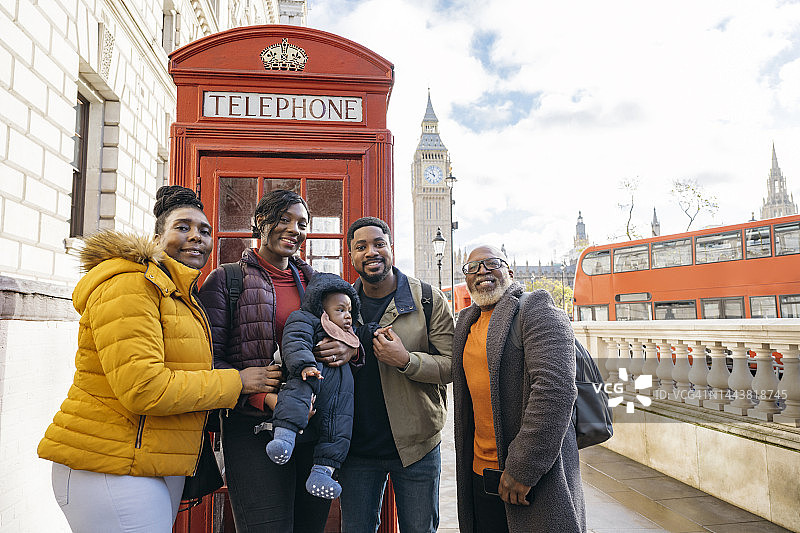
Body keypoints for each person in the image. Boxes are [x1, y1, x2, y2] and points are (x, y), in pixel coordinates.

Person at [37, 185, 275, 532]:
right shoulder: (130, 286)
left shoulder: (178, 294)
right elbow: (144, 388)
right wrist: (238, 381)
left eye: (204, 230)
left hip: (154, 460)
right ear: (156, 238)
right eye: (182, 227)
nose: (196, 236)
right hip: (108, 464)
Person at [198, 189, 358, 532]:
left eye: (302, 223)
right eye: (284, 219)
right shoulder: (227, 279)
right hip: (252, 429)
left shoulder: (316, 284)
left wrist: (350, 350)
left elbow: (351, 327)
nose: (294, 230)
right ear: (261, 222)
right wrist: (261, 396)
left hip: (313, 428)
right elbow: (206, 359)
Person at [452, 245, 586, 533]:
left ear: (510, 272)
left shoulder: (536, 308)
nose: (482, 271)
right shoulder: (465, 321)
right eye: (472, 268)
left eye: (492, 263)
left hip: (528, 476)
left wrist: (523, 468)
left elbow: (555, 390)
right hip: (479, 473)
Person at [338, 216, 454, 533]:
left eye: (379, 244)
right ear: (351, 256)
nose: (371, 252)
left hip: (417, 446)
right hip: (355, 449)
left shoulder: (428, 299)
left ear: (391, 248)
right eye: (361, 246)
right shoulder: (338, 305)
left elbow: (451, 366)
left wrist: (406, 360)